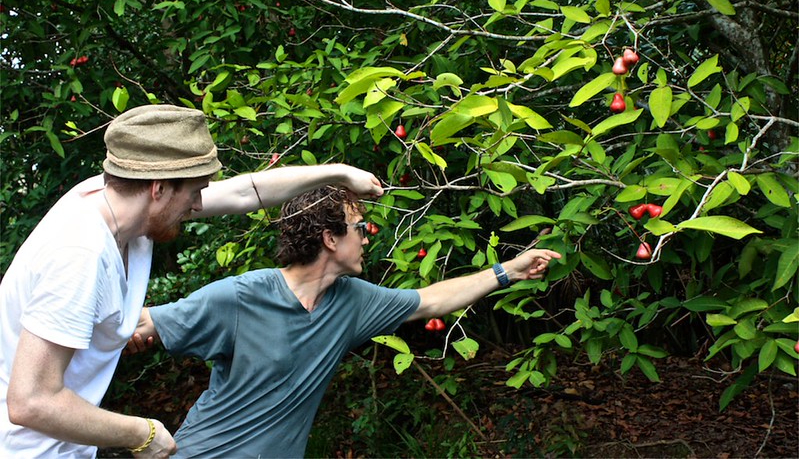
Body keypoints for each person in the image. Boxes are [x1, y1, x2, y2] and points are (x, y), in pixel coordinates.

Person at [0, 104, 384, 458]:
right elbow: (31, 401)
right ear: (159, 188)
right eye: (195, 192)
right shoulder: (79, 253)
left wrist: (338, 173)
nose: (200, 205)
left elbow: (243, 192)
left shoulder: (113, 203)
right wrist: (142, 433)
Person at [128, 185, 562, 458]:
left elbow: (429, 301)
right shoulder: (241, 297)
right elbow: (139, 325)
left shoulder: (352, 300)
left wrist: (508, 271)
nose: (366, 235)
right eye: (359, 226)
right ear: (330, 238)